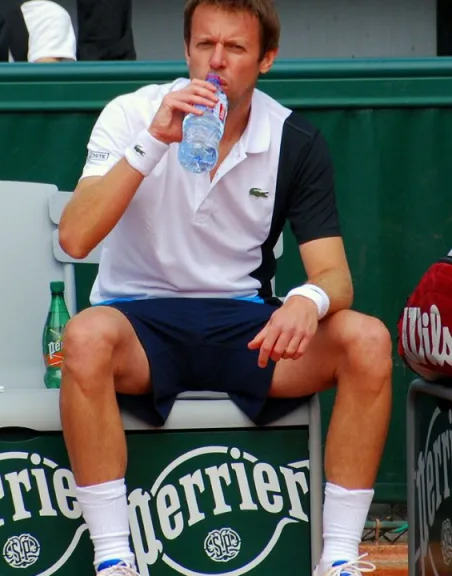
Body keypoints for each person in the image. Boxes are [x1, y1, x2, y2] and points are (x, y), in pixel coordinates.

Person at [56, 1, 391, 576]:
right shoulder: (131, 113)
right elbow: (76, 238)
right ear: (185, 50)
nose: (216, 63)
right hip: (138, 321)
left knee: (367, 341)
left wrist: (305, 303)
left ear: (266, 60)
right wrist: (154, 139)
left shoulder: (294, 137)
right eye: (204, 45)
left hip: (246, 325)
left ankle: (337, 557)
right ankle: (114, 558)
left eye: (234, 49)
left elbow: (334, 275)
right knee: (83, 338)